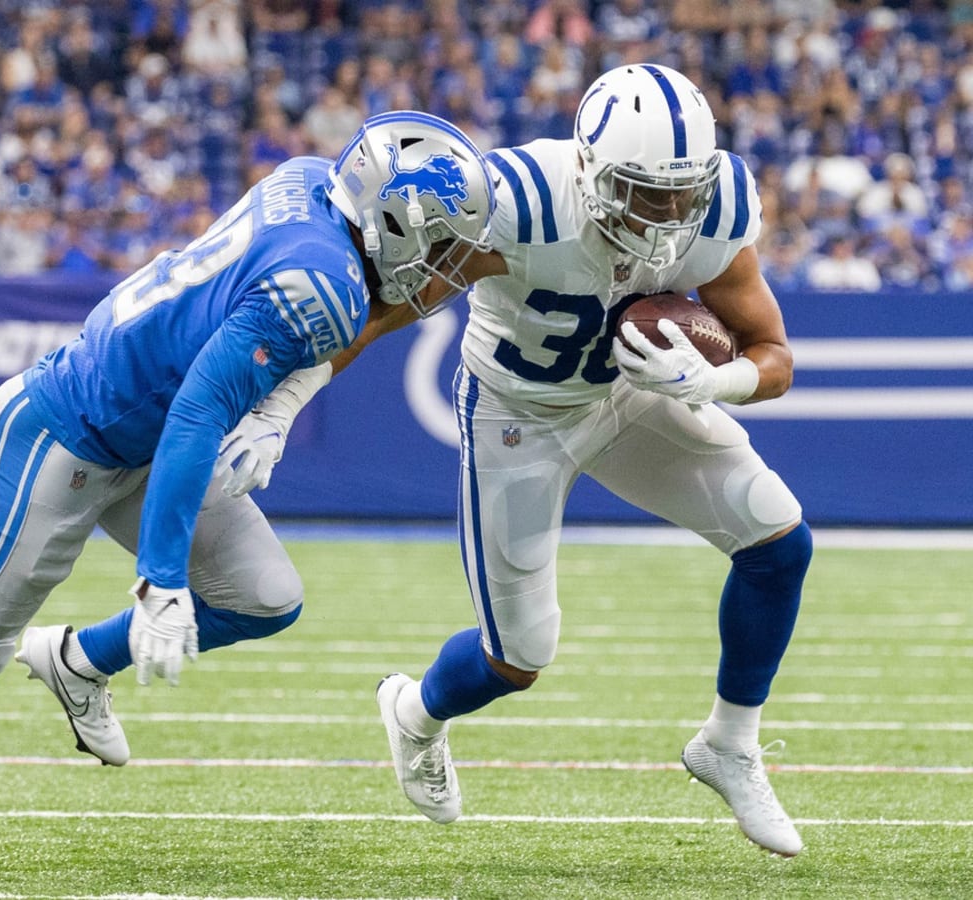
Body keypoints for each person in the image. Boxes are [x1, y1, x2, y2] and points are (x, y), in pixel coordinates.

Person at [0, 110, 495, 868]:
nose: (442, 261)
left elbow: (263, 343)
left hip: (143, 435)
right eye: (438, 239)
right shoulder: (322, 283)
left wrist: (278, 411)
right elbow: (199, 409)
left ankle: (79, 661)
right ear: (388, 218)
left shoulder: (311, 181)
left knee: (264, 595)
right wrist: (159, 581)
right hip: (65, 435)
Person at [220, 64, 813, 858]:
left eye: (684, 192)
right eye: (647, 192)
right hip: (516, 412)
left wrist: (719, 379)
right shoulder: (520, 203)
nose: (671, 213)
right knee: (518, 657)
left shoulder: (718, 207)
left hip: (625, 399)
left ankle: (729, 744)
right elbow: (389, 305)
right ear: (593, 171)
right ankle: (415, 714)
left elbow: (773, 355)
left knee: (778, 541)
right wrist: (283, 404)